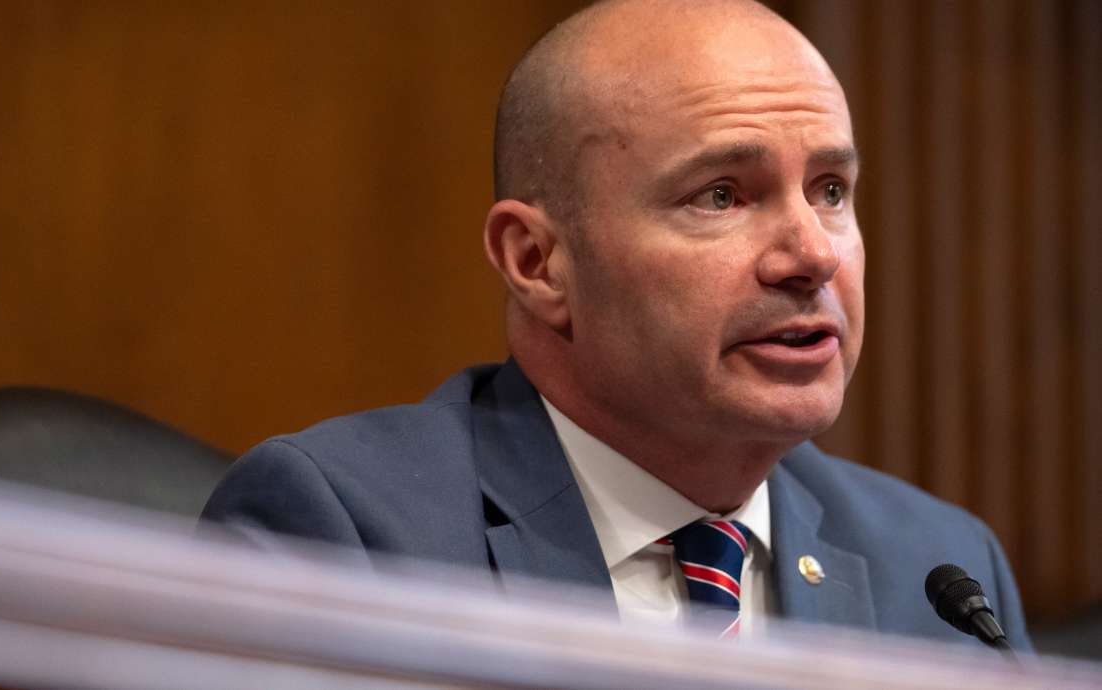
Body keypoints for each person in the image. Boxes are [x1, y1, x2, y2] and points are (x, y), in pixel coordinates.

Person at [202, 0, 1030, 648]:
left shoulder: (939, 566)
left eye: (830, 191)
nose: (811, 255)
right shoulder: (349, 537)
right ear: (536, 261)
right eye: (722, 196)